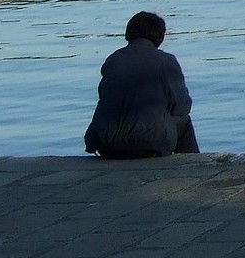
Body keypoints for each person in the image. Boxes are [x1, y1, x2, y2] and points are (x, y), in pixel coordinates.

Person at [84, 11, 200, 159]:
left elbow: (104, 96)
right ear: (159, 36)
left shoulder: (113, 59)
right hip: (148, 145)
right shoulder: (166, 61)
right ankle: (192, 164)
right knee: (183, 121)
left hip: (104, 143)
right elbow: (182, 106)